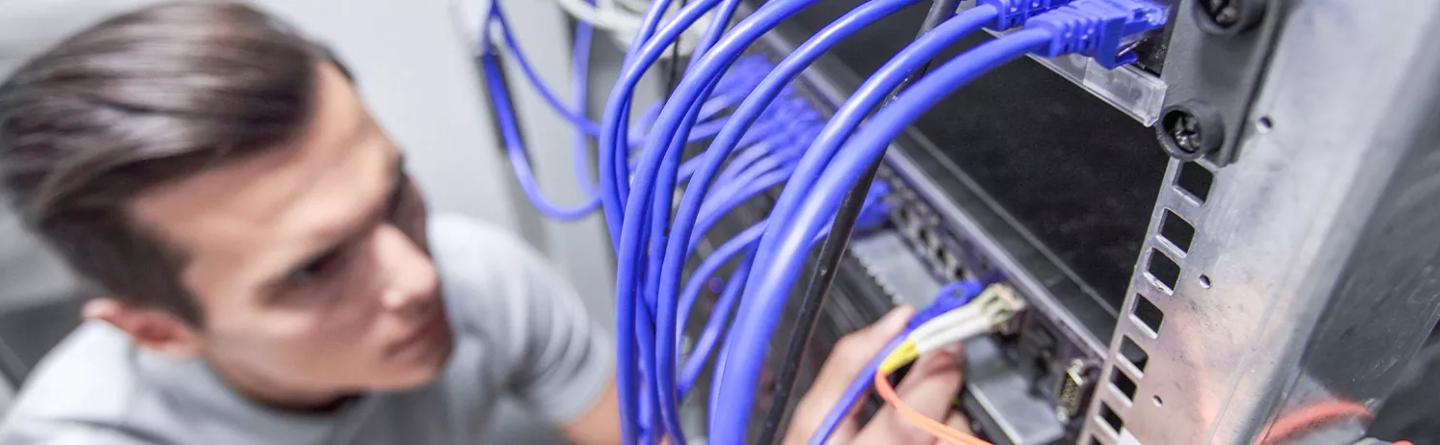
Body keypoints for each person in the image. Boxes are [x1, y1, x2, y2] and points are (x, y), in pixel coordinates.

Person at [0, 2, 968, 444]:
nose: (415, 275)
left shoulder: (474, 277)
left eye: (394, 195)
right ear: (156, 329)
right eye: (309, 271)